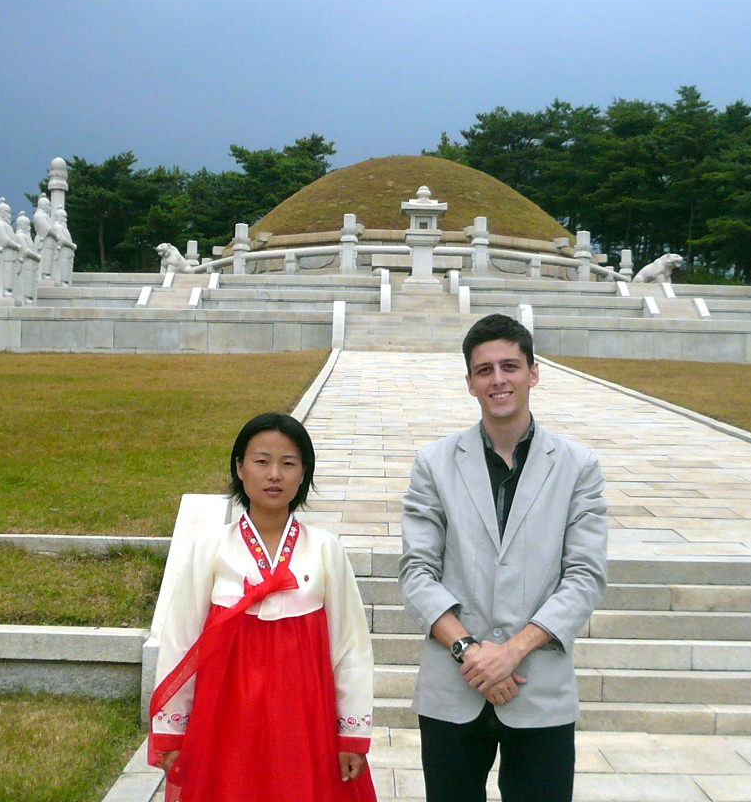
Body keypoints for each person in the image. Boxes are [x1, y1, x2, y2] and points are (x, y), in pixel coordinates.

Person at [399, 313, 609, 802]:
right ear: (470, 382)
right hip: (454, 687)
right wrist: (469, 651)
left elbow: (584, 575)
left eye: (510, 366)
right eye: (485, 369)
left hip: (537, 685)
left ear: (533, 373)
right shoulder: (434, 463)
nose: (498, 379)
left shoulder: (579, 467)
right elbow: (417, 572)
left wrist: (511, 651)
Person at [148, 412, 376, 802]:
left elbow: (350, 646)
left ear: (303, 473)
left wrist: (351, 733)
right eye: (262, 461)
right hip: (225, 717)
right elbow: (180, 641)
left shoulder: (324, 549)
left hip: (305, 719)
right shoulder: (211, 549)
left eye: (288, 464)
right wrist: (173, 729)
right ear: (239, 467)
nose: (275, 474)